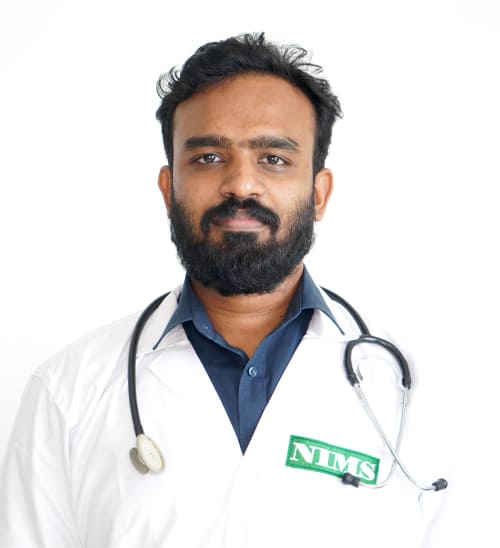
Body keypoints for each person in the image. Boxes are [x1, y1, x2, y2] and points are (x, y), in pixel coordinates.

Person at [0, 32, 450, 547]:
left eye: (273, 158)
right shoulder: (68, 391)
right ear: (169, 189)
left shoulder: (415, 388)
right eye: (209, 157)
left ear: (318, 193)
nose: (240, 184)